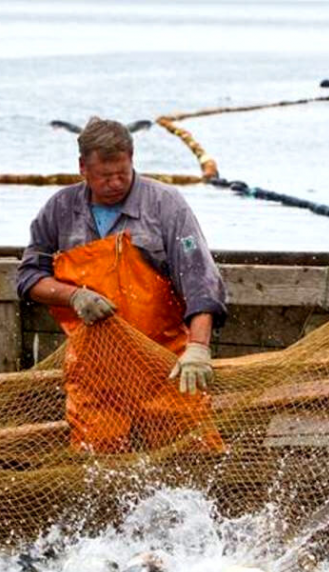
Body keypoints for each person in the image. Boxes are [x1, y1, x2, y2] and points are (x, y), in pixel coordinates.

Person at [16, 117, 227, 453]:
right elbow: (28, 278)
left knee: (191, 454)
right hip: (96, 373)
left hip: (163, 365)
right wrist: (74, 296)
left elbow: (200, 281)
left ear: (132, 160)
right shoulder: (60, 209)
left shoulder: (165, 204)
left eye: (122, 174)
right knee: (100, 468)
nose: (115, 183)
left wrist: (198, 348)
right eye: (105, 176)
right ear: (83, 168)